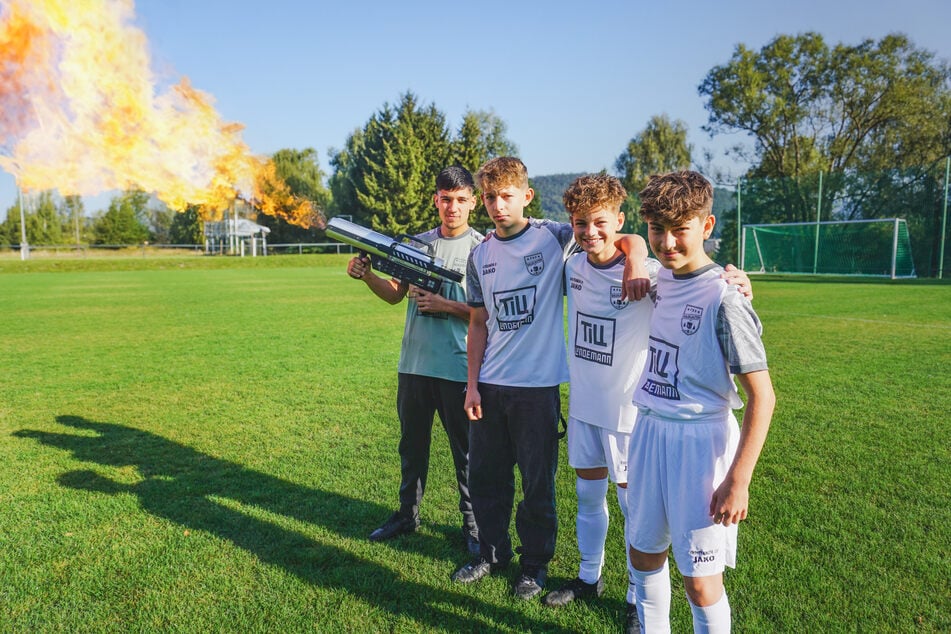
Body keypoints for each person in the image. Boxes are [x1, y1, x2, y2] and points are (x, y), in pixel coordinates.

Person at [541, 174, 752, 612]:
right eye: (580, 224)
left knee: (633, 511)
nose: (590, 233)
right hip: (584, 405)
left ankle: (638, 602)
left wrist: (742, 284)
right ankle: (587, 577)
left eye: (601, 223)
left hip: (631, 414)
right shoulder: (571, 265)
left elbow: (698, 282)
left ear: (619, 221)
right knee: (586, 496)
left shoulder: (652, 273)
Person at [450, 157, 651, 600]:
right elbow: (478, 324)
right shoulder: (479, 254)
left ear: (526, 196)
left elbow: (618, 234)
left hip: (537, 390)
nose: (497, 205)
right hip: (490, 384)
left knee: (537, 483)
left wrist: (637, 258)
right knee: (486, 477)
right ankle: (491, 552)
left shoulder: (555, 237)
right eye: (489, 197)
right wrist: (471, 384)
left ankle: (534, 565)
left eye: (506, 195)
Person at [625, 171, 775, 633]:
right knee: (643, 557)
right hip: (648, 431)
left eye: (680, 229)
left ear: (707, 227)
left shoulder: (725, 297)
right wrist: (635, 258)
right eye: (657, 229)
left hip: (699, 443)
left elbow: (763, 397)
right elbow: (624, 239)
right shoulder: (659, 277)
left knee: (700, 582)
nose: (667, 242)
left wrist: (739, 480)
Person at [346, 166, 483, 554]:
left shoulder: (484, 248)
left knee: (467, 454)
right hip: (414, 366)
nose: (451, 207)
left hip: (458, 367)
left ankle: (473, 527)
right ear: (435, 201)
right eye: (445, 199)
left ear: (472, 202)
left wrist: (446, 304)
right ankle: (407, 514)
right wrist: (368, 276)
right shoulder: (416, 245)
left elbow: (490, 315)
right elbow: (394, 294)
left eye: (459, 200)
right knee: (412, 447)